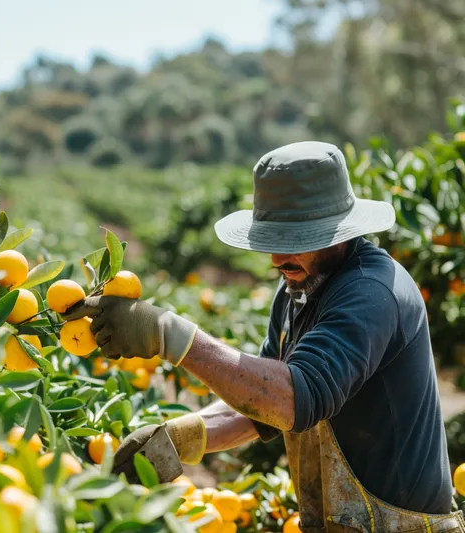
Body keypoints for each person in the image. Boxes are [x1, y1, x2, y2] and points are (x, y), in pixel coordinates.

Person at [62, 141, 465, 532]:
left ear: (339, 232)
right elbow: (263, 408)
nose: (276, 260)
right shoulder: (298, 288)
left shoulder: (371, 292)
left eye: (294, 242)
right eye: (272, 241)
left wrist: (169, 334)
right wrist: (179, 438)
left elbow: (292, 399)